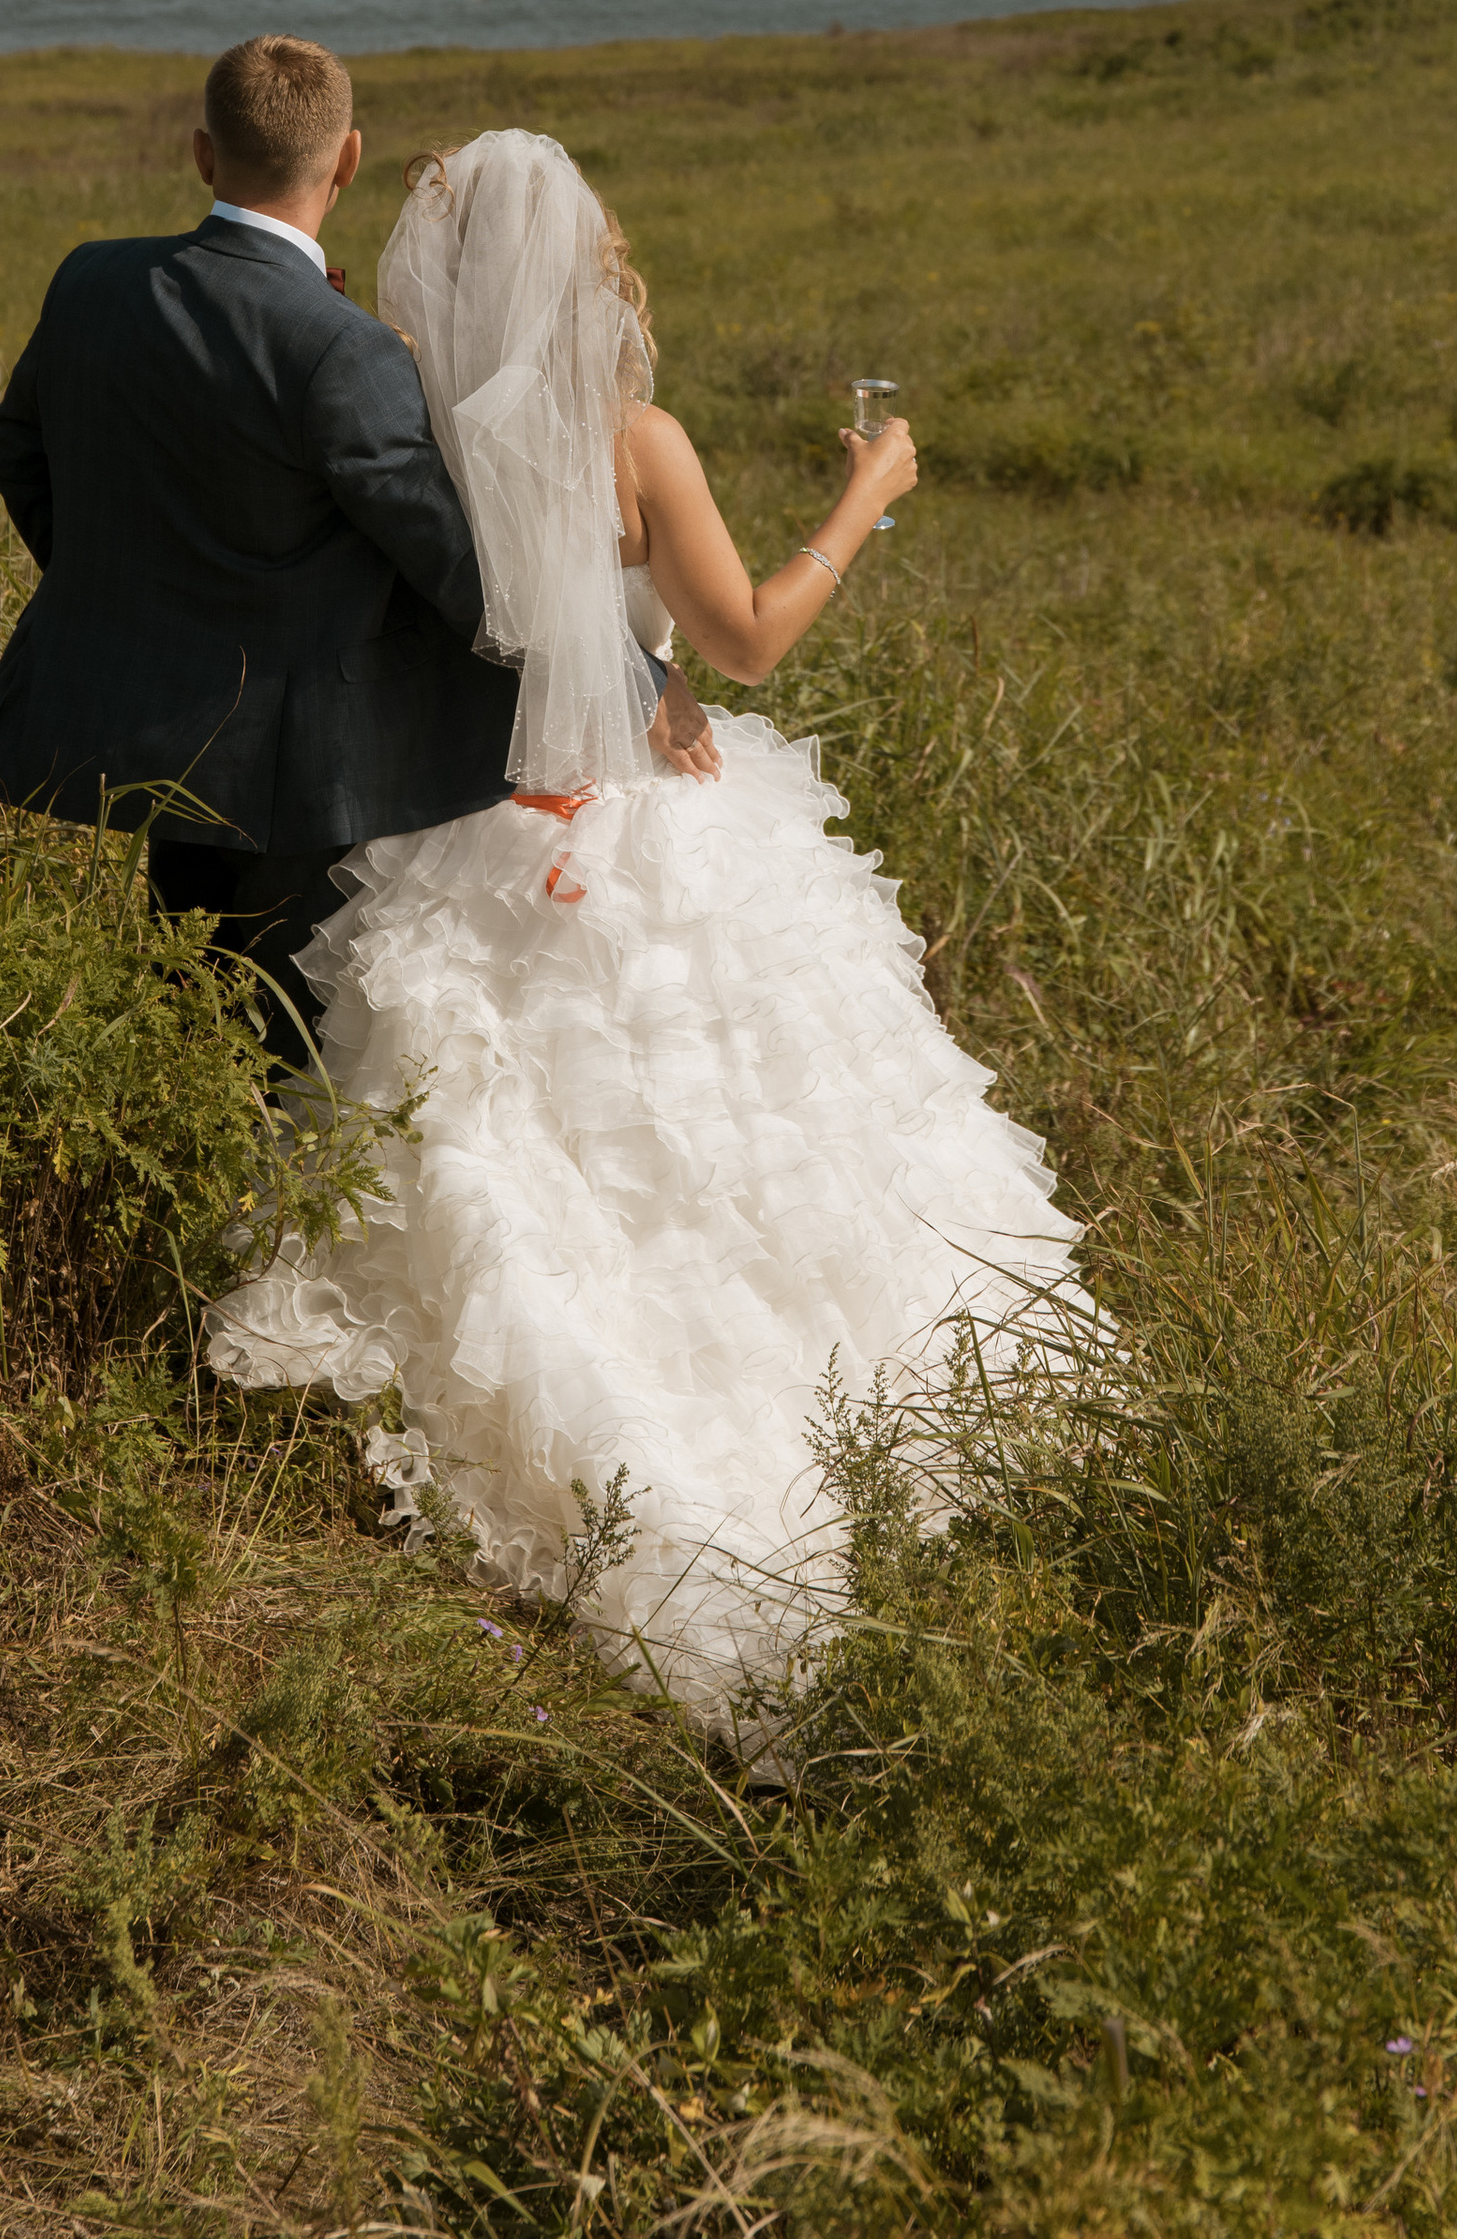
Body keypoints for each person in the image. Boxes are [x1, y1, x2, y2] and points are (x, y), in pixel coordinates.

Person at [201, 127, 1086, 1729]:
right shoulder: (634, 439)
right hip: (646, 821)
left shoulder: (405, 434)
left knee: (516, 1140)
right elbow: (745, 642)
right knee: (750, 1132)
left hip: (471, 822)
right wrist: (864, 494)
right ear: (580, 266)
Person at [0, 38, 691, 1073]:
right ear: (347, 160)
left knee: (184, 1004)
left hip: (152, 737)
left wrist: (134, 600)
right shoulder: (339, 347)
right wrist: (629, 677)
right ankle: (248, 1224)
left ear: (203, 154)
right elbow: (454, 567)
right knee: (281, 1045)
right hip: (295, 768)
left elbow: (17, 458)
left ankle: (181, 1201)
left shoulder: (91, 279)